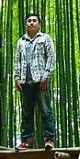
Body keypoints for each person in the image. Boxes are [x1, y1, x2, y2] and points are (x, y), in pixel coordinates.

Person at [14, 12, 57, 150]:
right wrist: (17, 78)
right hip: (25, 82)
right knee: (26, 113)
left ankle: (49, 139)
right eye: (29, 21)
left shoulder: (45, 38)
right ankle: (26, 141)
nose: (31, 23)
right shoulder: (21, 41)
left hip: (40, 80)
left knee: (46, 111)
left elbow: (51, 57)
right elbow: (17, 61)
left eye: (34, 20)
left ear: (39, 24)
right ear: (26, 24)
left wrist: (46, 76)